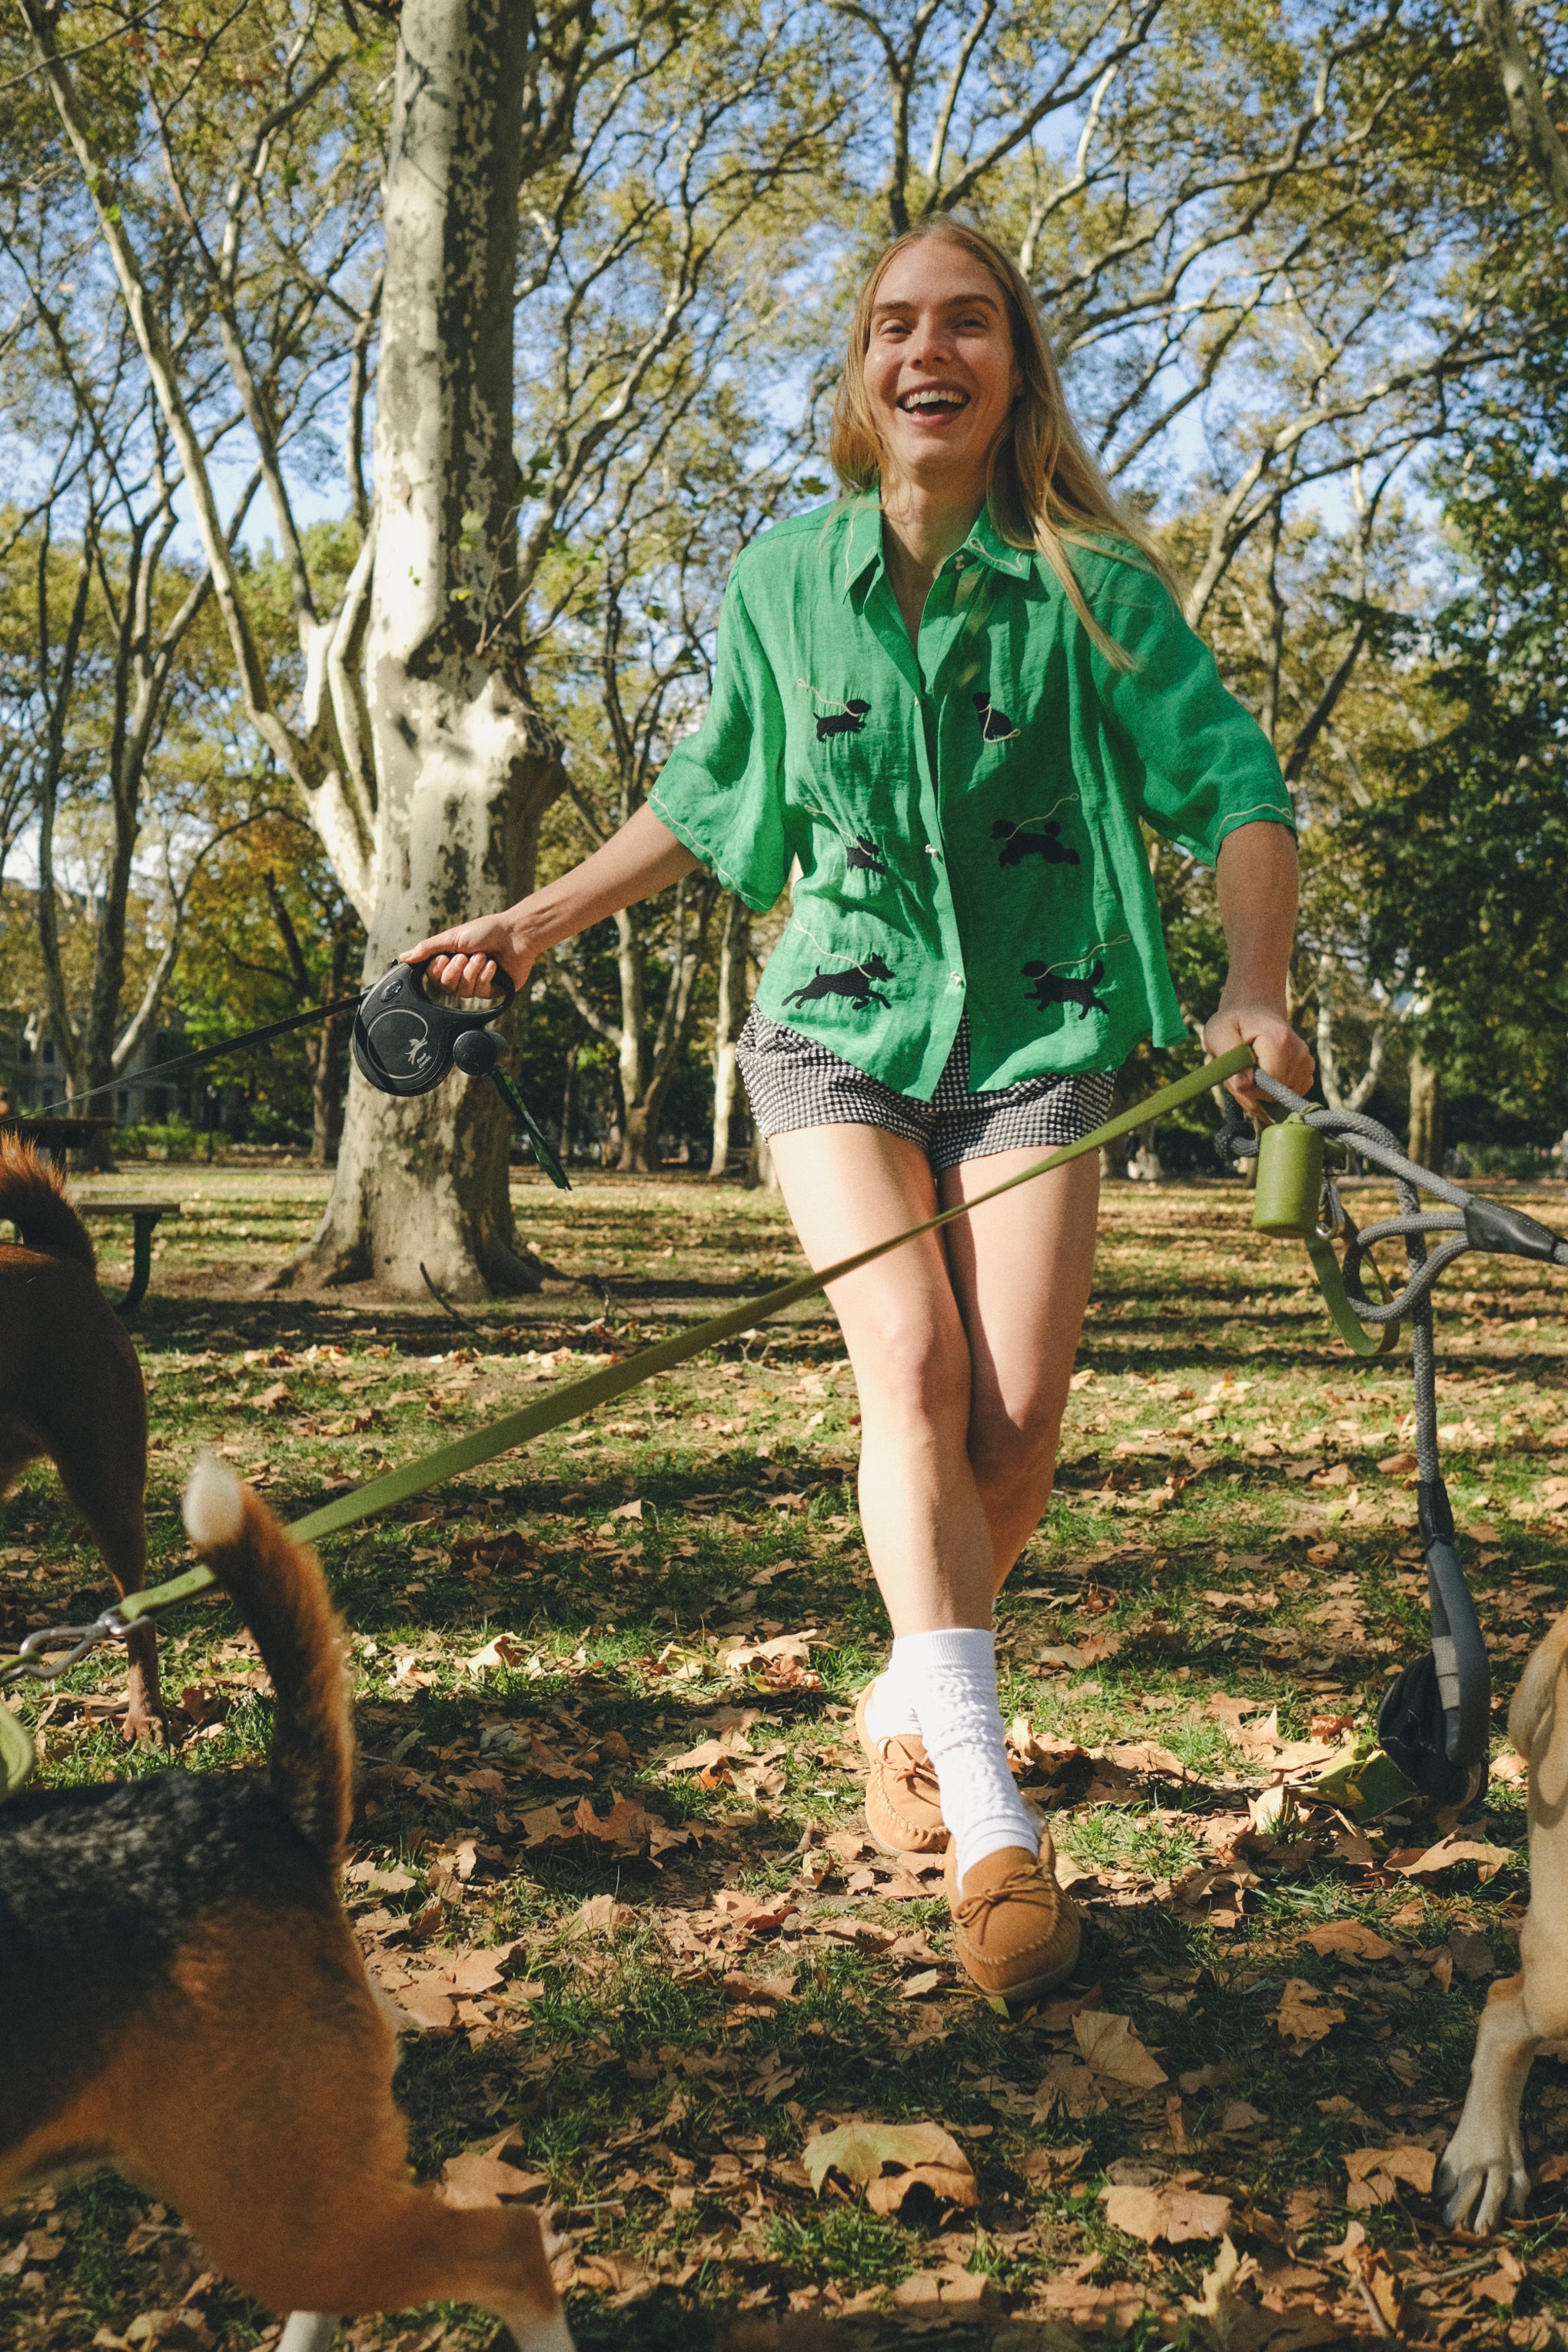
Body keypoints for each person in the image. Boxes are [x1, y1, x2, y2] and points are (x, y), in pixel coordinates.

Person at [407, 218, 1314, 2003]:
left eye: (967, 323)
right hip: (833, 1027)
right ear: (859, 374)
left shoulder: (1096, 594)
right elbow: (713, 797)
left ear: (1014, 371)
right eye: (895, 324)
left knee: (1017, 1421)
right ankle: (987, 1819)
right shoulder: (780, 582)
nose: (929, 352)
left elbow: (1238, 787)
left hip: (1046, 1032)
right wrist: (536, 920)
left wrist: (1257, 984)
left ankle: (911, 1680)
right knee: (904, 1367)